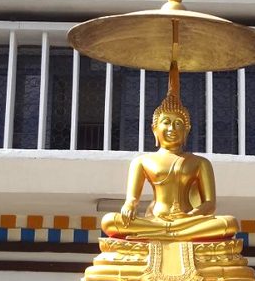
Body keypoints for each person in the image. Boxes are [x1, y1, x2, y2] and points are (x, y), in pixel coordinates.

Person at [101, 69, 238, 241]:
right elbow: (132, 199)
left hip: (188, 220)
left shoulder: (200, 162)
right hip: (155, 220)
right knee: (109, 221)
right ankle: (169, 232)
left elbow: (209, 204)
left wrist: (189, 216)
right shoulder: (142, 162)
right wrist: (129, 205)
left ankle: (165, 233)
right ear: (154, 129)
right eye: (166, 122)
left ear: (186, 130)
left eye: (178, 123)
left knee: (229, 223)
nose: (172, 129)